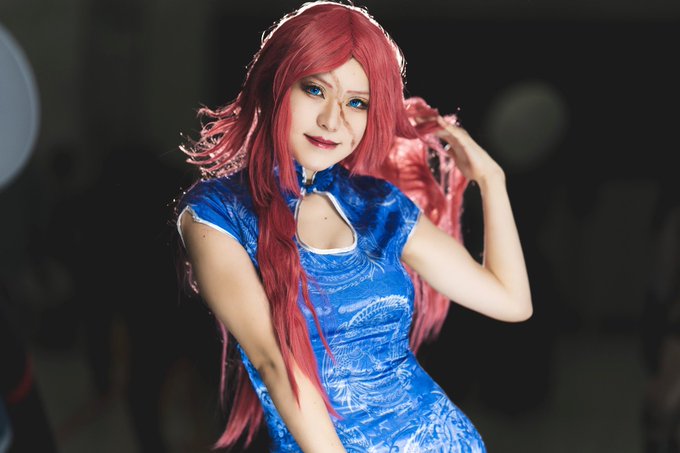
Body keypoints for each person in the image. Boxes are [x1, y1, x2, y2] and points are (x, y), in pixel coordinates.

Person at [175, 2, 532, 451]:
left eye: (356, 102)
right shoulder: (216, 214)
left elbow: (511, 301)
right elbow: (275, 364)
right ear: (276, 84)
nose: (332, 120)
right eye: (315, 90)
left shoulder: (377, 205)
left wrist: (492, 180)